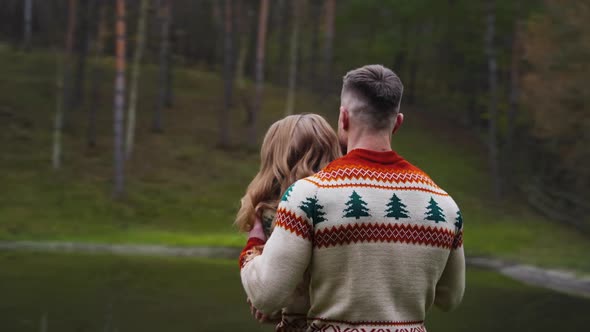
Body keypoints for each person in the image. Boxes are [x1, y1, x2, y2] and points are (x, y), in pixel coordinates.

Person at [240, 64, 465, 332]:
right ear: (398, 122)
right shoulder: (444, 206)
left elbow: (266, 295)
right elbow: (450, 299)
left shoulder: (308, 195)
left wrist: (253, 247)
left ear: (343, 118)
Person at [236, 114, 342, 331]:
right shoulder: (344, 206)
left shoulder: (271, 215)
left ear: (273, 158)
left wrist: (254, 243)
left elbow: (264, 294)